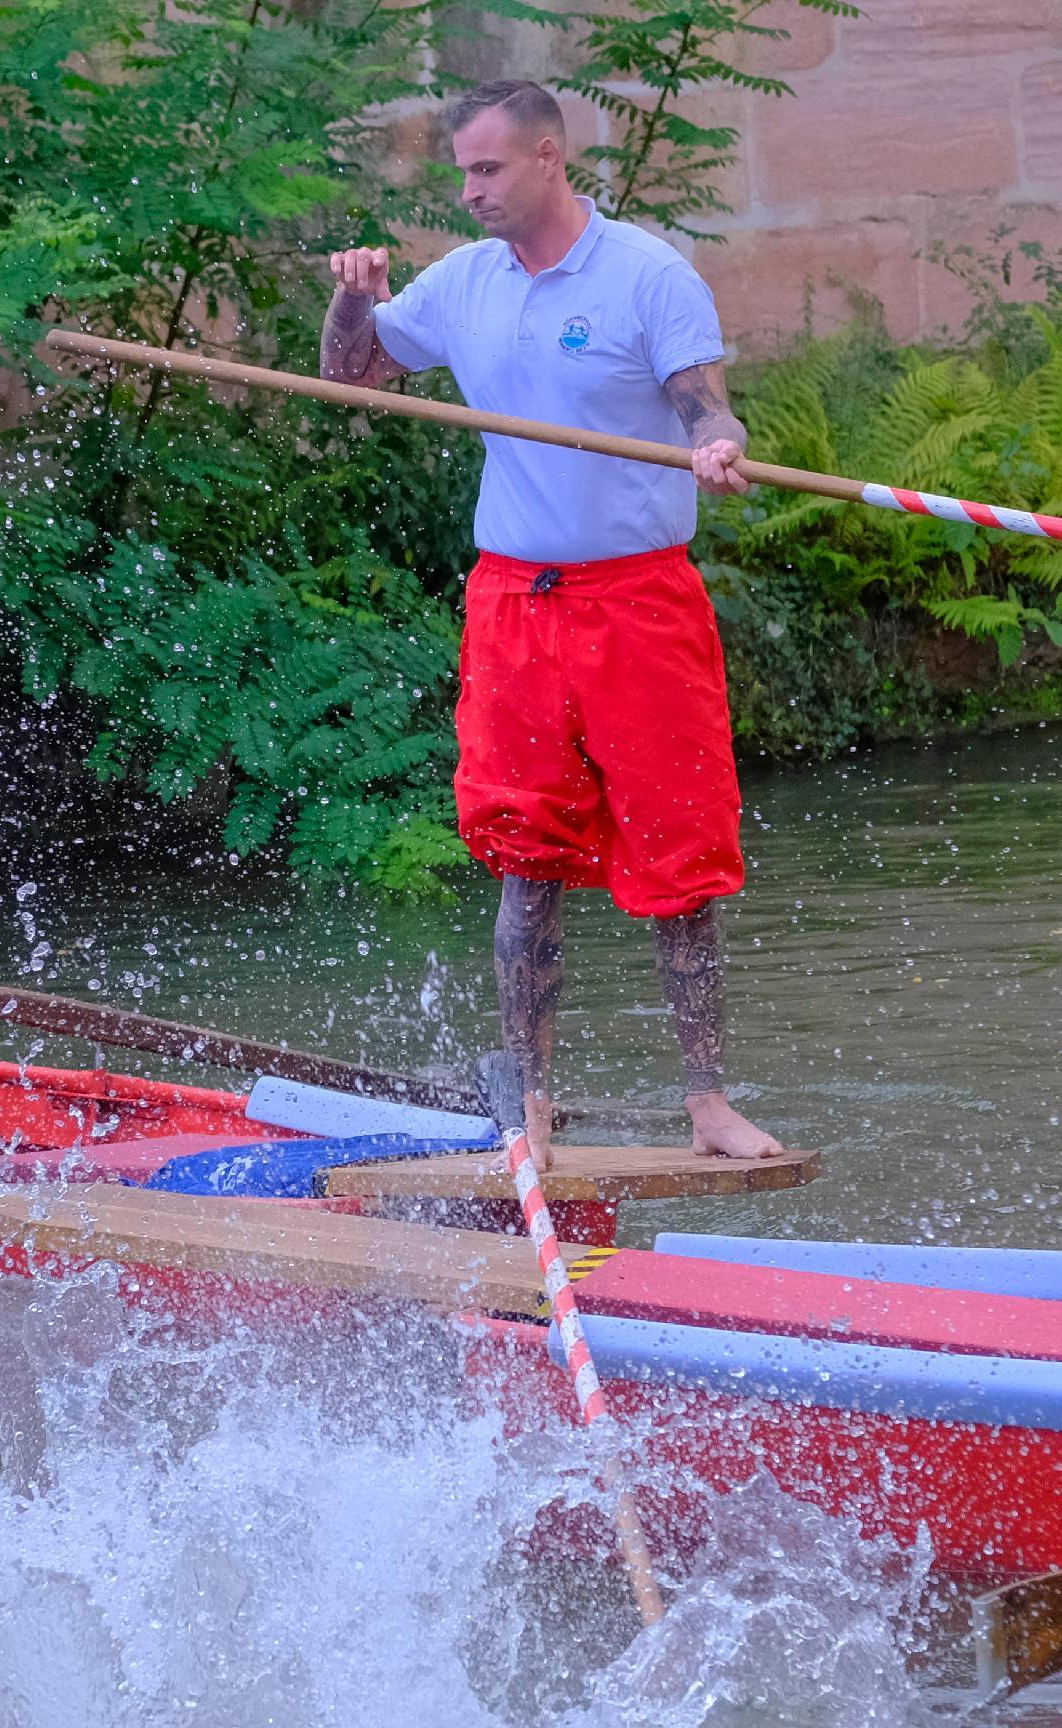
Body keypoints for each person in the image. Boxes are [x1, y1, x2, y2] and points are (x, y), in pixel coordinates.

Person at [321, 78, 781, 1160]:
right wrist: (353, 298)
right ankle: (527, 1102)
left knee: (681, 851)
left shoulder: (646, 275)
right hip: (515, 604)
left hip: (640, 603)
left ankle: (707, 1101)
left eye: (487, 169)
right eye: (462, 173)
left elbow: (703, 402)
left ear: (547, 160)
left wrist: (716, 443)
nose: (471, 191)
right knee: (524, 853)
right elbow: (354, 377)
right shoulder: (464, 282)